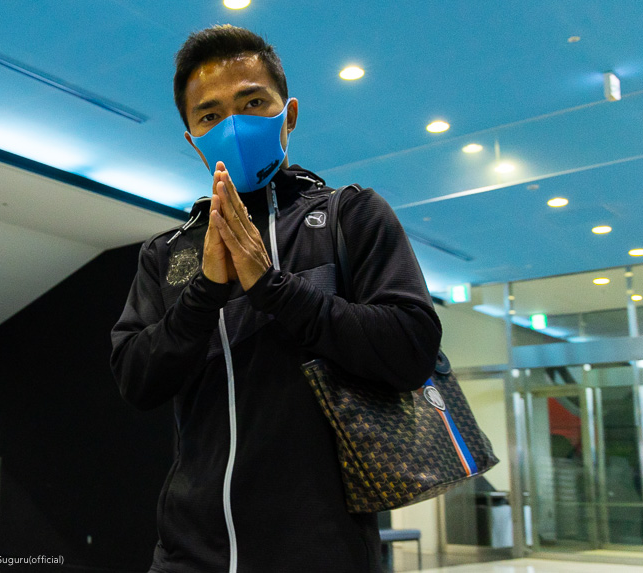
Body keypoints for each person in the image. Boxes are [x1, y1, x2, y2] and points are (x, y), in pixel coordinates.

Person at [111, 25, 441, 573]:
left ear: (288, 116)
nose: (234, 126)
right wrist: (205, 294)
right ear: (193, 140)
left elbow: (412, 349)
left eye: (252, 103)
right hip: (188, 553)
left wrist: (274, 289)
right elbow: (136, 381)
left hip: (322, 552)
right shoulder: (167, 253)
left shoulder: (349, 215)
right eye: (210, 116)